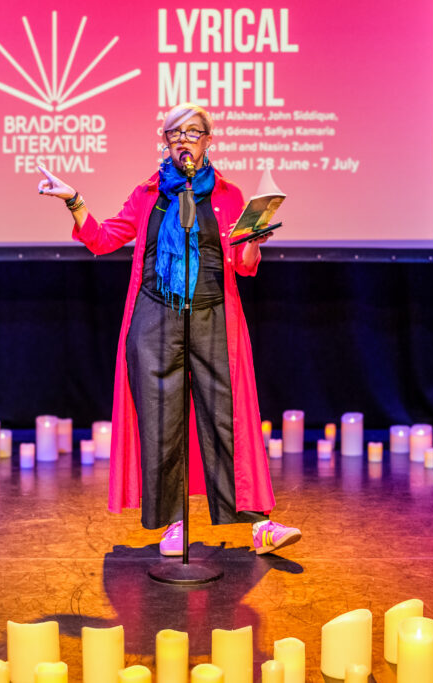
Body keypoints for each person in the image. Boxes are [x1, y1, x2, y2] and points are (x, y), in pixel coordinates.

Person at [37, 102, 300, 556]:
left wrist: (254, 243)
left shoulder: (229, 195)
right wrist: (74, 199)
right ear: (165, 143)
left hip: (214, 316)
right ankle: (172, 524)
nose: (183, 141)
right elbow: (103, 240)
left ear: (208, 141)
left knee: (226, 419)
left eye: (193, 133)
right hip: (155, 316)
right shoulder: (149, 194)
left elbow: (241, 263)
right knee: (161, 422)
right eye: (174, 134)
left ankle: (257, 524)